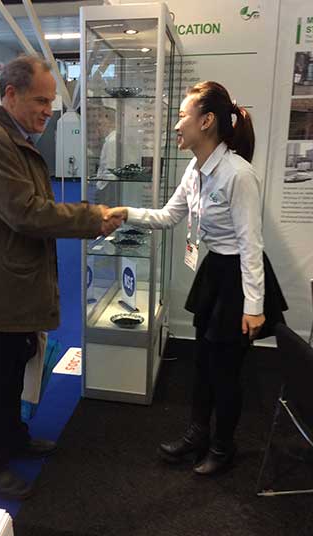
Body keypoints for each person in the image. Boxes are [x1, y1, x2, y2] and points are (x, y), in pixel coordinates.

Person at [0, 55, 123, 500]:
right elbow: (26, 213)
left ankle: (12, 437)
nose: (49, 110)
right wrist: (91, 217)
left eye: (51, 101)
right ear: (11, 94)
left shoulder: (13, 139)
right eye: (41, 100)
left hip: (11, 282)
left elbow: (32, 209)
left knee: (14, 365)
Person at [105, 81, 287, 475]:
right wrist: (126, 213)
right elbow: (169, 216)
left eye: (182, 116)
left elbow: (251, 246)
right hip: (215, 271)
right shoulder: (195, 168)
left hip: (238, 278)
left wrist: (254, 307)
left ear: (206, 122)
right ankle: (197, 435)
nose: (176, 125)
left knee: (226, 371)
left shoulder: (238, 174)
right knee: (203, 363)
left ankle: (223, 447)